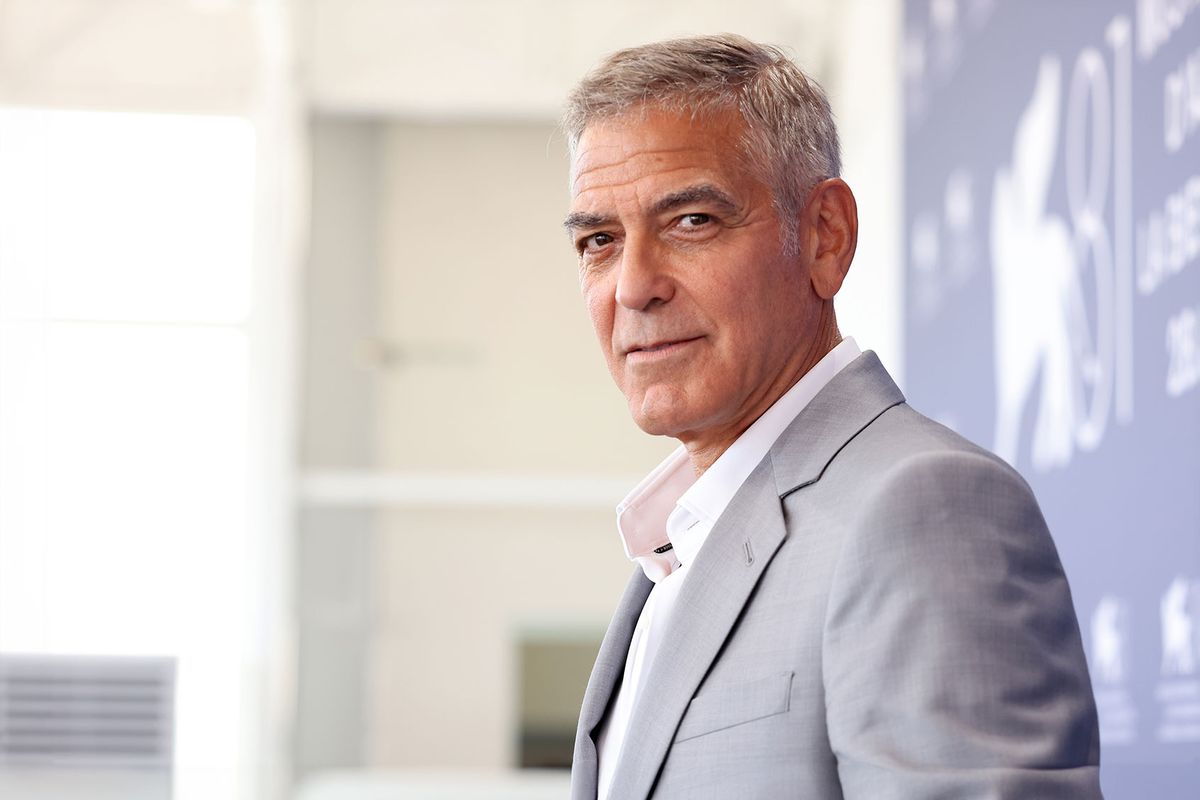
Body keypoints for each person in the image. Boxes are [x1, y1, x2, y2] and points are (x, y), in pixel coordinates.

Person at [560, 34, 1102, 800]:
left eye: (691, 222)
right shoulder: (677, 544)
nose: (634, 286)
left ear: (825, 237)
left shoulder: (925, 510)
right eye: (599, 241)